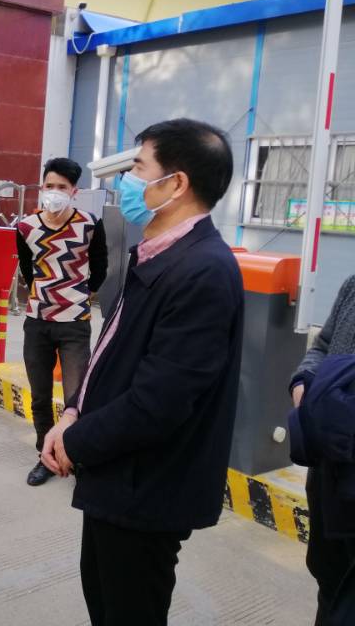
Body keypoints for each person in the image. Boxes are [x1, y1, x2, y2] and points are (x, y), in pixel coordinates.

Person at [41, 118, 244, 626]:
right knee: (104, 598)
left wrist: (75, 442)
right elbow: (111, 353)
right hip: (117, 475)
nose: (126, 181)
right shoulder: (157, 254)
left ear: (176, 184)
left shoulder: (202, 271)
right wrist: (72, 413)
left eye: (137, 168)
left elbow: (160, 401)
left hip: (147, 488)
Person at [16, 157, 107, 487]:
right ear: (42, 187)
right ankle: (45, 455)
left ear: (74, 191)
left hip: (74, 323)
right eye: (49, 186)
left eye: (62, 187)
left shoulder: (90, 224)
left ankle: (76, 456)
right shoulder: (26, 227)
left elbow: (100, 268)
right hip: (37, 321)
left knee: (76, 398)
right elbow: (27, 270)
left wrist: (77, 296)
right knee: (40, 395)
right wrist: (45, 297)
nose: (54, 192)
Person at [288, 274, 355, 624]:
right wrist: (303, 383)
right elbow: (322, 345)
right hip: (329, 476)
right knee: (329, 580)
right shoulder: (352, 286)